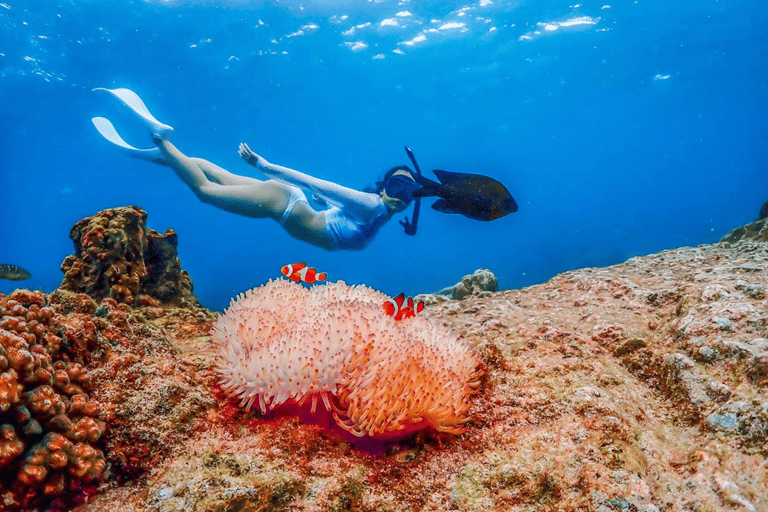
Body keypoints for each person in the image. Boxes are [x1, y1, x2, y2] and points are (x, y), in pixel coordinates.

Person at [91, 88, 424, 251]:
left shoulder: (378, 212)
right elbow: (314, 182)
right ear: (382, 188)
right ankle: (161, 140)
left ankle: (158, 155)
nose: (401, 196)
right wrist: (264, 165)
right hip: (282, 203)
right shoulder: (369, 206)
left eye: (408, 192)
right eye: (396, 187)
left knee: (213, 173)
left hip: (287, 202)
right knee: (206, 192)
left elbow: (326, 205)